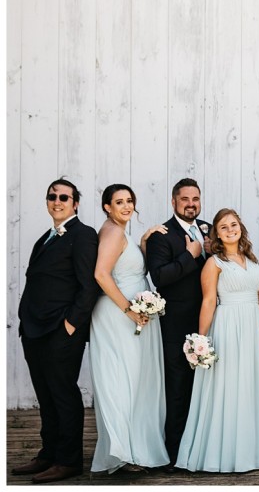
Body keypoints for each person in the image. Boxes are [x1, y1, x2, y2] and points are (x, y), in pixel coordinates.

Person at [176, 208, 259, 472]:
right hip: (228, 326)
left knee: (251, 385)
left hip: (252, 329)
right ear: (217, 235)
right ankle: (223, 453)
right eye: (223, 227)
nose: (230, 229)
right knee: (228, 385)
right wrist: (201, 340)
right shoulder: (214, 263)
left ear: (240, 228)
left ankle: (253, 451)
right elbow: (209, 301)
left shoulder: (252, 259)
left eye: (233, 224)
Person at [13, 178, 100, 484]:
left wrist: (70, 325)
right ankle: (48, 453)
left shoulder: (83, 235)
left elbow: (89, 286)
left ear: (76, 203)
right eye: (52, 196)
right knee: (46, 395)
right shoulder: (45, 238)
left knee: (63, 394)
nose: (57, 201)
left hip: (60, 331)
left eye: (64, 197)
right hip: (34, 330)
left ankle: (68, 460)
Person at [89, 184, 169, 473]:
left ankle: (132, 448)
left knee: (133, 381)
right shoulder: (112, 232)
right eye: (119, 202)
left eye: (129, 201)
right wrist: (129, 310)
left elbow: (130, 266)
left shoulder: (120, 232)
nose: (126, 206)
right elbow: (101, 274)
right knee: (122, 382)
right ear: (107, 207)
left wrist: (144, 241)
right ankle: (121, 453)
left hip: (130, 315)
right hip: (118, 316)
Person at [142, 177, 210, 469]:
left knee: (204, 387)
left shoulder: (208, 230)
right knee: (178, 387)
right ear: (173, 202)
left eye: (195, 199)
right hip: (177, 325)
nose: (191, 204)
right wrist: (189, 255)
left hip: (209, 321)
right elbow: (160, 277)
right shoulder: (162, 235)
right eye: (185, 199)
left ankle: (202, 445)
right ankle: (175, 452)